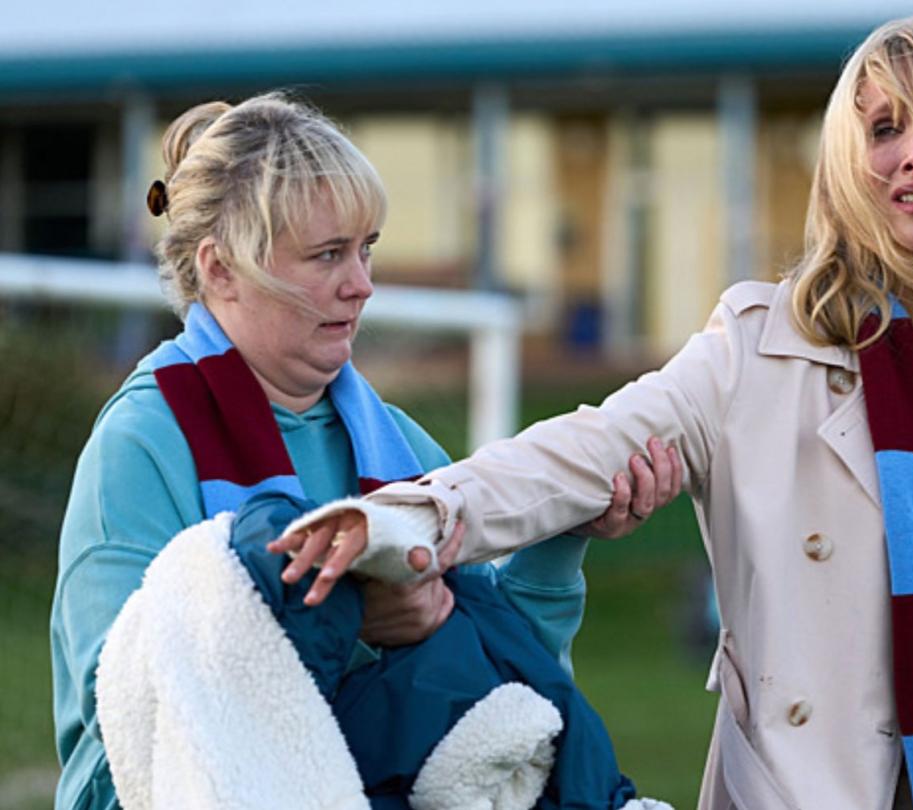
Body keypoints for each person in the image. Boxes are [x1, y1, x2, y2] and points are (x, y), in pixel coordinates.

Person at [286, 13, 913, 810]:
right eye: (883, 130)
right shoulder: (764, 345)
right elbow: (581, 450)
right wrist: (421, 512)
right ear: (850, 169)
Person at [50, 91, 679, 810]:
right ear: (220, 269)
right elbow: (130, 718)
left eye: (366, 248)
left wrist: (558, 533)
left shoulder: (398, 438)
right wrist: (354, 620)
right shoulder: (142, 441)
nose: (362, 284)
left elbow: (502, 697)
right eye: (327, 256)